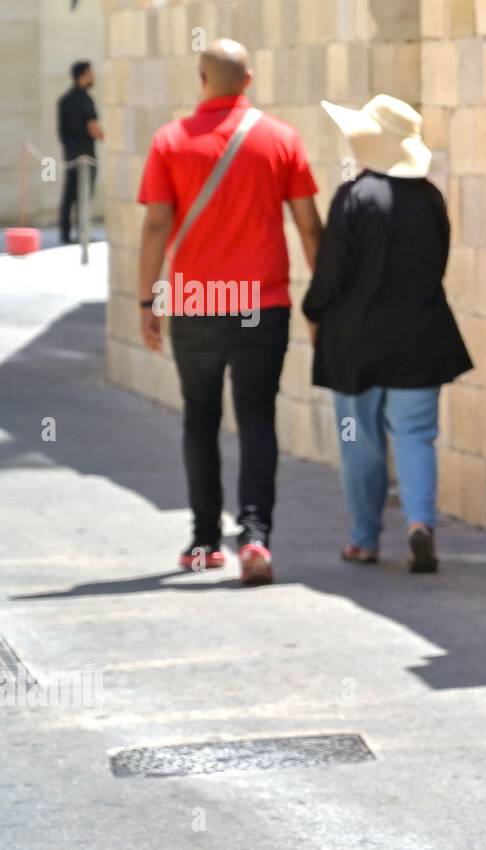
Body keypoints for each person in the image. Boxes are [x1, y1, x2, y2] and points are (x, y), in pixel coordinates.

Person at [136, 38, 322, 585]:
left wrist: (149, 300)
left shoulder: (170, 141)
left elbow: (155, 226)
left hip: (195, 302)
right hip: (261, 302)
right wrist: (322, 303)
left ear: (201, 80)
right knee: (258, 418)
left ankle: (203, 542)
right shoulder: (280, 139)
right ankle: (256, 536)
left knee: (200, 417)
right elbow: (309, 225)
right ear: (248, 79)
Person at [303, 95, 471, 573]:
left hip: (356, 343)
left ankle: (363, 538)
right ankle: (420, 524)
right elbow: (437, 265)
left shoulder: (354, 197)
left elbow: (330, 274)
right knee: (416, 435)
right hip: (421, 337)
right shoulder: (430, 198)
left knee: (361, 440)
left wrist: (312, 309)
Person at [57, 60, 103, 245]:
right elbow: (93, 128)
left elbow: (61, 130)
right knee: (84, 195)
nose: (93, 77)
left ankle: (65, 233)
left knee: (69, 194)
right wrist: (104, 135)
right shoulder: (86, 100)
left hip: (70, 155)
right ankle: (83, 235)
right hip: (86, 155)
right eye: (90, 73)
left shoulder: (64, 100)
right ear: (83, 75)